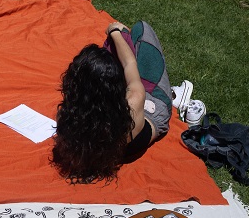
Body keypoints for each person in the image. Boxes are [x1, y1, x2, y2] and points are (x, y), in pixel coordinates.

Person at [51, 21, 175, 183]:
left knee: (112, 49)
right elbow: (130, 65)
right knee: (141, 29)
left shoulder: (71, 119)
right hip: (153, 111)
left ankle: (118, 39)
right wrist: (114, 31)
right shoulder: (133, 102)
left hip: (115, 126)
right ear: (117, 89)